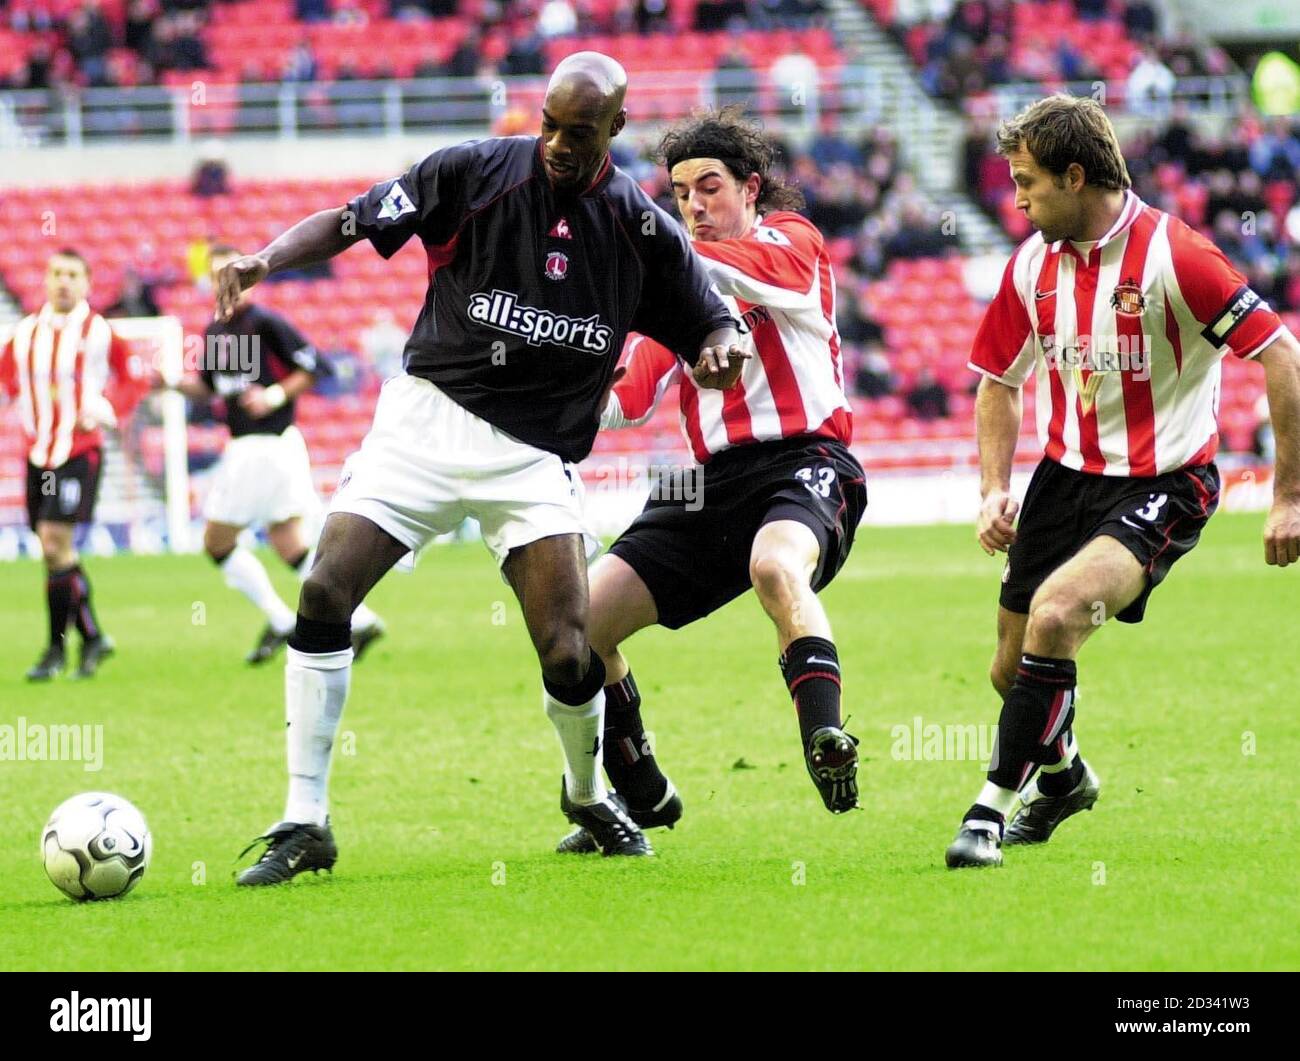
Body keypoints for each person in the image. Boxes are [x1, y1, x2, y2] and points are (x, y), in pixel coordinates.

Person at [222, 53, 744, 883]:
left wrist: (719, 356)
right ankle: (304, 819)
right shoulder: (472, 171)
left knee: (571, 652)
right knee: (323, 593)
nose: (557, 145)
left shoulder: (642, 231)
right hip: (424, 426)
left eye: (578, 132)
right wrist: (262, 261)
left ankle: (584, 794)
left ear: (613, 130)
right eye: (548, 124)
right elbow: (352, 221)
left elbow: (711, 325)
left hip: (533, 458)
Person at [947, 95, 1300, 869]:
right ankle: (1067, 775)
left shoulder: (1179, 255)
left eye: (1028, 182)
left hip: (1164, 483)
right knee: (1009, 669)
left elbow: (1281, 353)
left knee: (1057, 615)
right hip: (1064, 478)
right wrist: (993, 488)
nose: (1017, 199)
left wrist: (1289, 495)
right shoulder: (1032, 263)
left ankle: (988, 808)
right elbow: (998, 381)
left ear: (1076, 176)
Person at [557, 107, 867, 854]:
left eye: (710, 187)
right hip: (709, 485)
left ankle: (825, 734)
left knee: (775, 566)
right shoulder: (678, 287)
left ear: (751, 188)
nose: (694, 204)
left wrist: (642, 245)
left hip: (807, 462)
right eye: (681, 193)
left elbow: (743, 272)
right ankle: (640, 788)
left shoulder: (793, 242)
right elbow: (628, 399)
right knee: (578, 628)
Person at [165, 244, 386, 666]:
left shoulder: (265, 323)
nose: (226, 284)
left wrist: (274, 393)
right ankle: (361, 620)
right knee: (288, 543)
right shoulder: (216, 331)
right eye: (217, 277)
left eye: (233, 275)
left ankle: (281, 619)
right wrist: (171, 383)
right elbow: (214, 388)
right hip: (259, 449)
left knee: (215, 543)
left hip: (263, 445)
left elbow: (315, 365)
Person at [0, 249, 148, 680]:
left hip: (79, 450)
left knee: (52, 544)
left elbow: (132, 379)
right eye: (57, 274)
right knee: (56, 553)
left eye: (72, 275)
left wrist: (106, 406)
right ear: (46, 281)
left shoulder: (100, 332)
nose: (63, 282)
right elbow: (6, 379)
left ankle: (53, 651)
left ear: (86, 284)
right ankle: (94, 637)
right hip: (37, 453)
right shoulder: (24, 334)